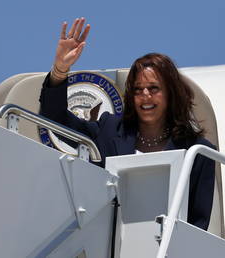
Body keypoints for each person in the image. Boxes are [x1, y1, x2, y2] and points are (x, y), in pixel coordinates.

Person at [39, 18, 215, 230]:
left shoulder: (198, 152)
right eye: (138, 90)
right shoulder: (109, 130)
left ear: (171, 94)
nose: (145, 96)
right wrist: (60, 70)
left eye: (154, 88)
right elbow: (55, 119)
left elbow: (199, 224)